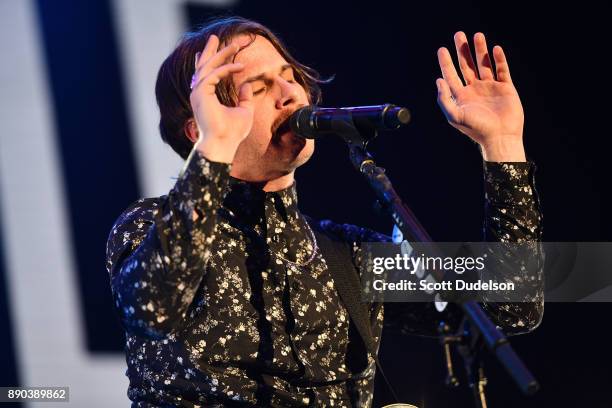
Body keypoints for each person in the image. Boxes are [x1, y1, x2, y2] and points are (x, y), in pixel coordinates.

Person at [106, 16, 543, 408]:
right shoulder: (148, 227)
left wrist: (503, 145)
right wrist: (215, 147)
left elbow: (511, 307)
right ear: (200, 124)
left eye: (289, 76)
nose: (288, 94)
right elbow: (152, 308)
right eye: (258, 87)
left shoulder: (346, 253)